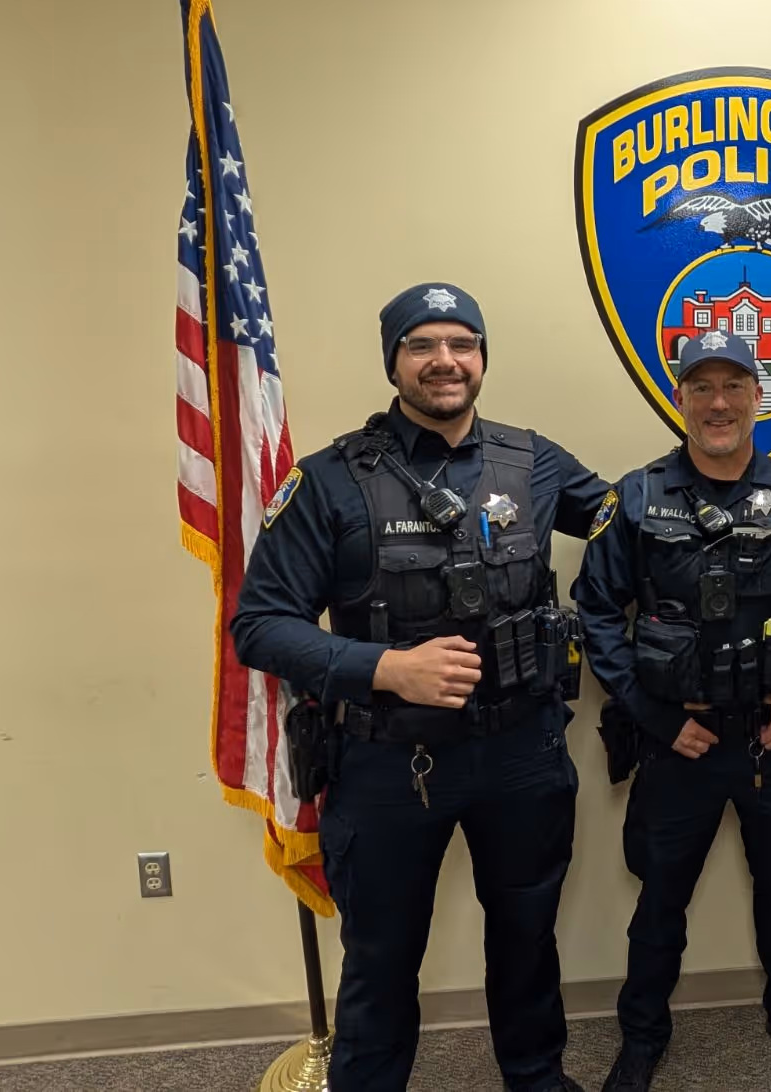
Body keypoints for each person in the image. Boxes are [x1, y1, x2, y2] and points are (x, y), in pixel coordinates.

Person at [231, 282, 610, 1092]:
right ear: (393, 361)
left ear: (481, 357)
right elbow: (259, 624)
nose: (445, 361)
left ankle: (536, 1076)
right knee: (382, 957)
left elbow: (633, 517)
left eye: (462, 343)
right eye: (422, 345)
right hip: (388, 766)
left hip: (521, 753)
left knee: (526, 934)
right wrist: (383, 668)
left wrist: (737, 470)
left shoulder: (533, 461)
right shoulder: (329, 480)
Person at [573, 330, 771, 1092]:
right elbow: (597, 615)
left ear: (757, 396)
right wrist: (656, 720)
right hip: (681, 743)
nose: (717, 403)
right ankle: (642, 1036)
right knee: (659, 901)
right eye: (700, 388)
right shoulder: (634, 498)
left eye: (733, 385)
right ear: (678, 400)